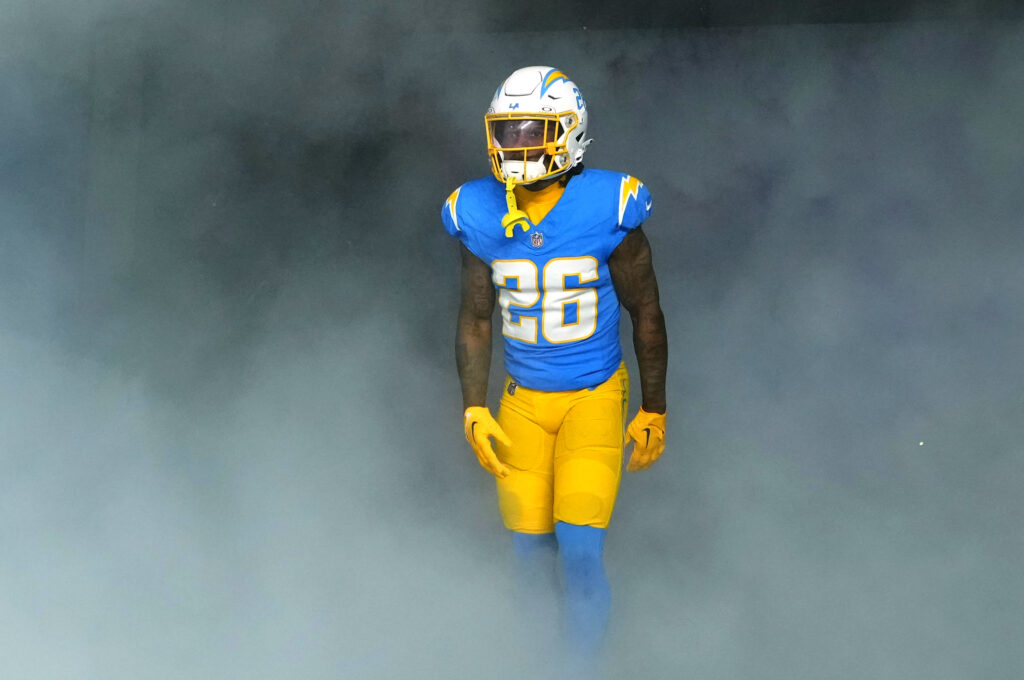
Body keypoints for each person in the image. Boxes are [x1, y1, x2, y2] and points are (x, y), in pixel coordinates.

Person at [441, 66, 668, 663]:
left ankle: (581, 670)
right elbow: (476, 316)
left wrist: (653, 407)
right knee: (526, 554)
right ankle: (535, 664)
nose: (516, 146)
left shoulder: (606, 205)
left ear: (569, 133)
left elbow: (644, 310)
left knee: (581, 548)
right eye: (506, 132)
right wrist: (472, 406)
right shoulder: (478, 211)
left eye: (531, 130)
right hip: (522, 402)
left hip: (592, 396)